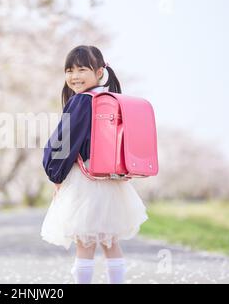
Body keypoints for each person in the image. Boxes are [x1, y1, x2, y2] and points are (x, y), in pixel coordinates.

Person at [41, 45, 148, 284]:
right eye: (69, 70)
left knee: (85, 244)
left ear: (99, 72)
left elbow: (64, 142)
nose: (74, 76)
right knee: (110, 242)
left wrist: (55, 173)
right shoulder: (109, 99)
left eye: (81, 69)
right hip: (110, 180)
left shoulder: (82, 101)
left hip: (85, 180)